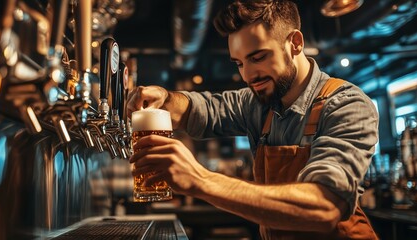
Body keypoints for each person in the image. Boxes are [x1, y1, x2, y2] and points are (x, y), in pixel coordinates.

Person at [127, 0, 379, 239]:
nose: (248, 75)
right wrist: (164, 98)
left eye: (258, 58)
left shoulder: (347, 105)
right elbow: (201, 109)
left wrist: (200, 180)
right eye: (239, 63)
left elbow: (324, 206)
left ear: (295, 43)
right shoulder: (259, 103)